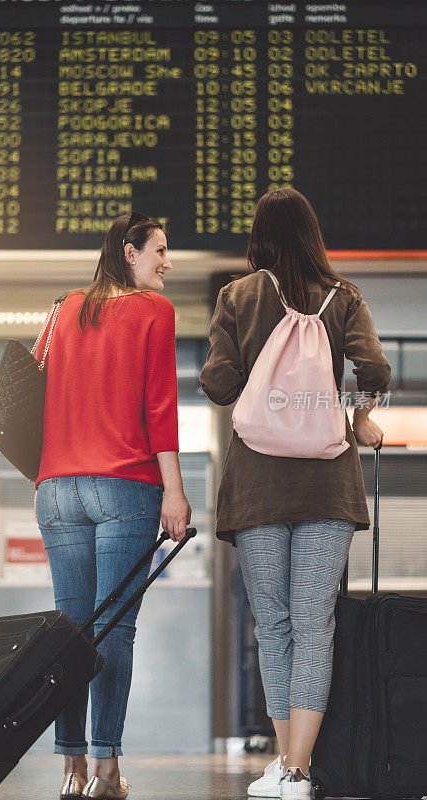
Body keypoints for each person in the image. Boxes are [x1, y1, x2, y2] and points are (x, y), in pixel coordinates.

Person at [200, 188, 391, 800]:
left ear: (260, 235)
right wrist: (359, 416)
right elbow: (377, 372)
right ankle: (299, 770)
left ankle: (284, 763)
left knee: (274, 625)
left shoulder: (239, 296)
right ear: (312, 234)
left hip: (257, 487)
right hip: (328, 484)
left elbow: (219, 384)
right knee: (315, 622)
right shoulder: (345, 296)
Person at [34, 211, 191, 800]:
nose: (167, 262)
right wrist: (174, 490)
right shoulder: (154, 312)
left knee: (69, 632)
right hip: (125, 483)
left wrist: (42, 477)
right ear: (129, 252)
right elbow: (160, 407)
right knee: (113, 631)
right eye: (159, 250)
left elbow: (36, 398)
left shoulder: (62, 309)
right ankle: (106, 767)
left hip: (56, 488)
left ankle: (70, 766)